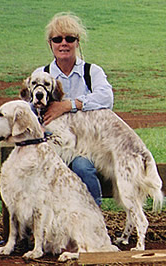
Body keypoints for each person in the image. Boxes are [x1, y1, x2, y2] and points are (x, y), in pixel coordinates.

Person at [31, 12, 114, 206]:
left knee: (83, 167)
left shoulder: (91, 72)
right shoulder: (41, 74)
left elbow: (107, 98)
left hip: (84, 144)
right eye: (57, 39)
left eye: (70, 38)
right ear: (50, 43)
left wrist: (69, 105)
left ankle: (94, 221)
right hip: (52, 142)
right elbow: (28, 108)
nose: (64, 44)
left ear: (77, 42)